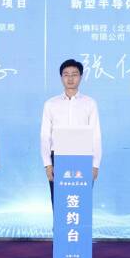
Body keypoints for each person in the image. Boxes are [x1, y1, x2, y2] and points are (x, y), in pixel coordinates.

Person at [40, 59, 102, 202]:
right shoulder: (51, 104)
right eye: (66, 74)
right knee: (59, 201)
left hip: (83, 156)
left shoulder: (89, 103)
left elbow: (96, 135)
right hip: (58, 156)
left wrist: (95, 165)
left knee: (80, 202)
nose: (70, 78)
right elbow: (45, 135)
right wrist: (48, 164)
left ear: (81, 77)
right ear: (61, 77)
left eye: (74, 74)